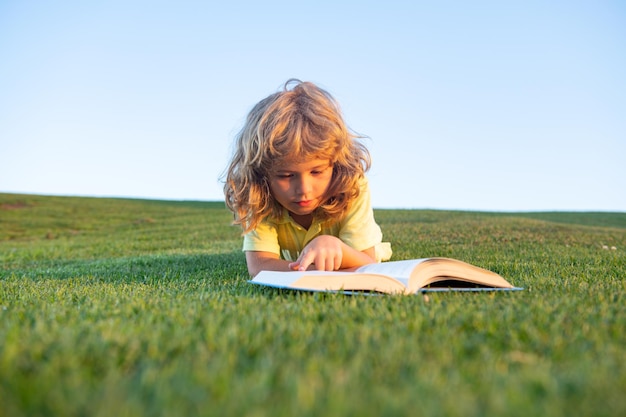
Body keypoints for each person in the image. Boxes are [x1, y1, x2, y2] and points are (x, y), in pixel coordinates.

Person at [223, 79, 391, 276]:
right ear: (262, 175)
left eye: (317, 172)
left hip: (354, 251)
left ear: (336, 164)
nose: (304, 189)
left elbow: (367, 264)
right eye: (286, 175)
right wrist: (313, 270)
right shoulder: (259, 196)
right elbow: (259, 266)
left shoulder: (352, 186)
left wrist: (335, 247)